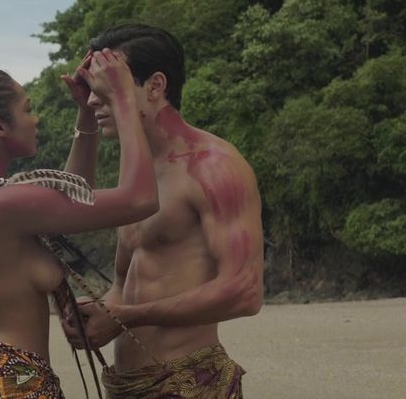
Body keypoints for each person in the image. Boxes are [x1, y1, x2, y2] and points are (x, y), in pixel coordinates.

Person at [0, 49, 158, 399]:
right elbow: (141, 199)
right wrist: (123, 100)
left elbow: (74, 195)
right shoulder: (1, 205)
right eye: (27, 109)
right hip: (6, 387)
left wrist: (86, 112)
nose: (36, 119)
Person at [62, 24, 264, 398]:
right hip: (127, 385)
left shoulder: (213, 165)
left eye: (109, 87)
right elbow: (124, 284)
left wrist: (127, 317)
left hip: (190, 381)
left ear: (155, 86)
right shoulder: (138, 176)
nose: (93, 100)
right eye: (93, 89)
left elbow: (245, 290)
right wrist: (100, 313)